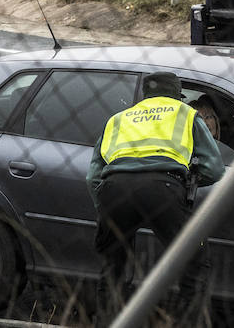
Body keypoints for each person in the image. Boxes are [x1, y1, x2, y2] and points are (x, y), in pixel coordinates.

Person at [86, 72, 225, 323]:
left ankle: (108, 321)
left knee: (114, 265)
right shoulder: (185, 113)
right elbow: (214, 169)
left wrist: (104, 208)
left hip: (115, 188)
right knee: (194, 261)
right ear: (176, 94)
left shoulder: (118, 119)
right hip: (163, 186)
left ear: (145, 95)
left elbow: (92, 177)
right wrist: (188, 183)